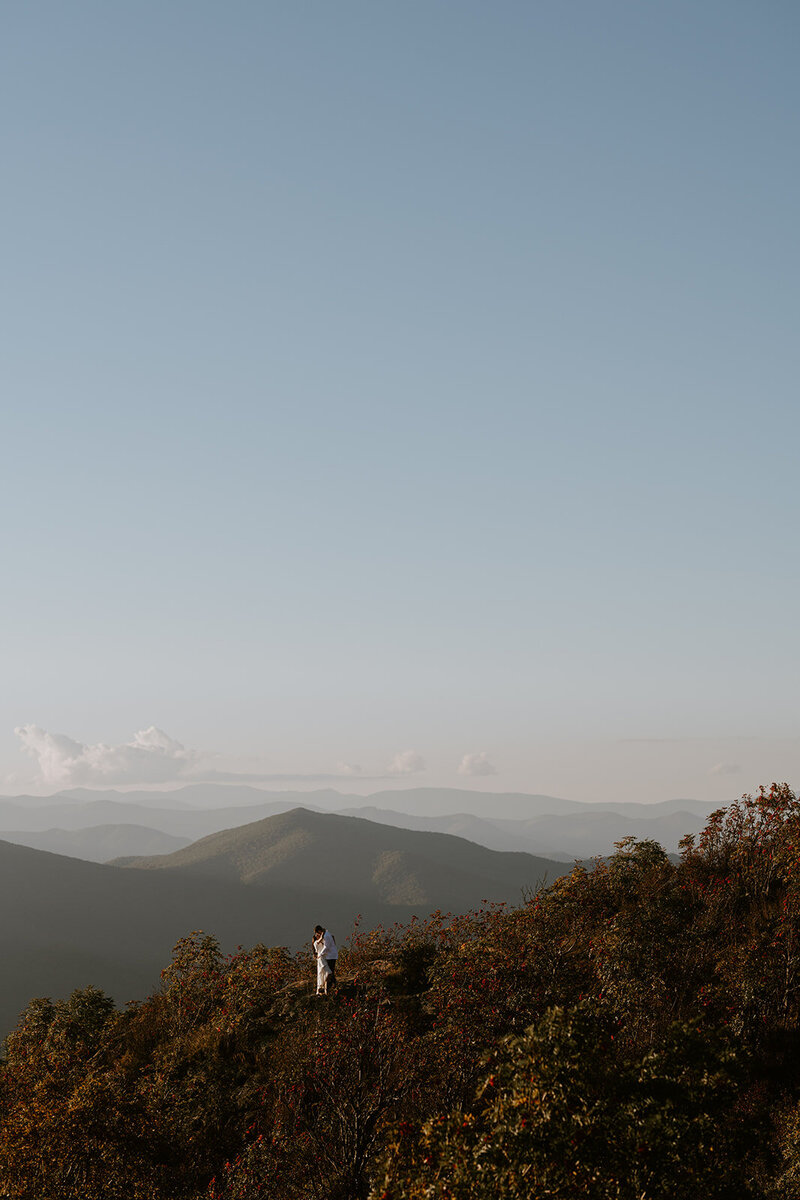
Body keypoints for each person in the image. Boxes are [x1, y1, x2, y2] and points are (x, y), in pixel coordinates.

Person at [313, 924, 337, 993]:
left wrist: (320, 954)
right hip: (329, 956)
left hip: (330, 956)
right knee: (330, 972)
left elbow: (326, 947)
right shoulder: (326, 935)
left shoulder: (326, 936)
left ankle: (328, 988)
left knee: (329, 973)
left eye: (318, 933)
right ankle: (332, 985)